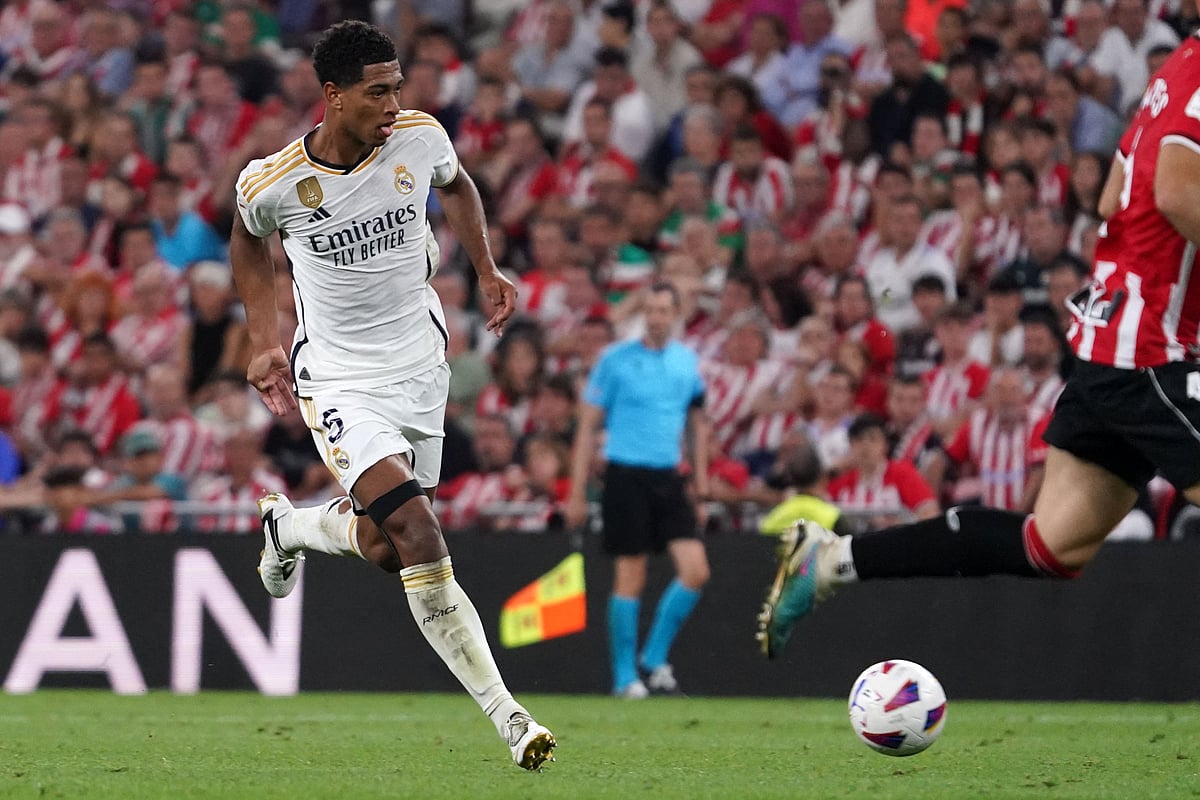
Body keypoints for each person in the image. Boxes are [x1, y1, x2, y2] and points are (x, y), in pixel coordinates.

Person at [756, 32, 1200, 660]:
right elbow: (1177, 194)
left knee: (1053, 545)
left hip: (1116, 338)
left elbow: (1110, 197)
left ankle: (833, 559)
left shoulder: (1175, 71)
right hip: (1149, 348)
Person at [228, 22, 555, 770]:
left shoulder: (419, 137)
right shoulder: (275, 181)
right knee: (417, 532)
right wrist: (262, 337)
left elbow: (460, 185)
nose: (394, 102)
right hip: (339, 377)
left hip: (419, 366)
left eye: (398, 87)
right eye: (379, 91)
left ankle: (296, 531)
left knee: (383, 545)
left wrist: (486, 268)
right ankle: (510, 718)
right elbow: (246, 237)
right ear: (333, 95)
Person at [566, 281, 711, 699]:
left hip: (668, 476)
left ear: (677, 314)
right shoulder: (614, 360)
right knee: (630, 576)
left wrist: (699, 480)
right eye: (651, 310)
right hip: (625, 475)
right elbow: (588, 425)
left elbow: (697, 423)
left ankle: (653, 656)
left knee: (695, 570)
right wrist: (576, 492)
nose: (657, 317)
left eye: (665, 310)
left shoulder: (687, 363)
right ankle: (625, 676)